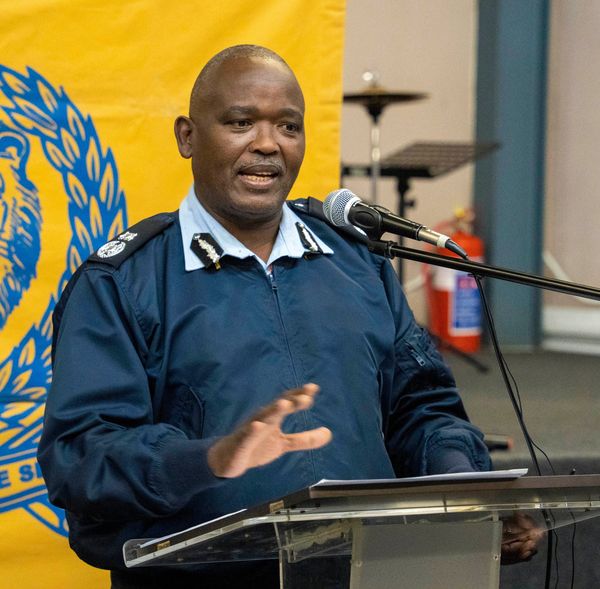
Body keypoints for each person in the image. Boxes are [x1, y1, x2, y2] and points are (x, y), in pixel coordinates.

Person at [38, 45, 533, 589]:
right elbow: (81, 457)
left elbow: (421, 408)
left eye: (288, 126)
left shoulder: (359, 264)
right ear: (187, 137)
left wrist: (464, 488)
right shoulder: (121, 283)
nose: (268, 144)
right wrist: (208, 459)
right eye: (241, 122)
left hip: (367, 571)